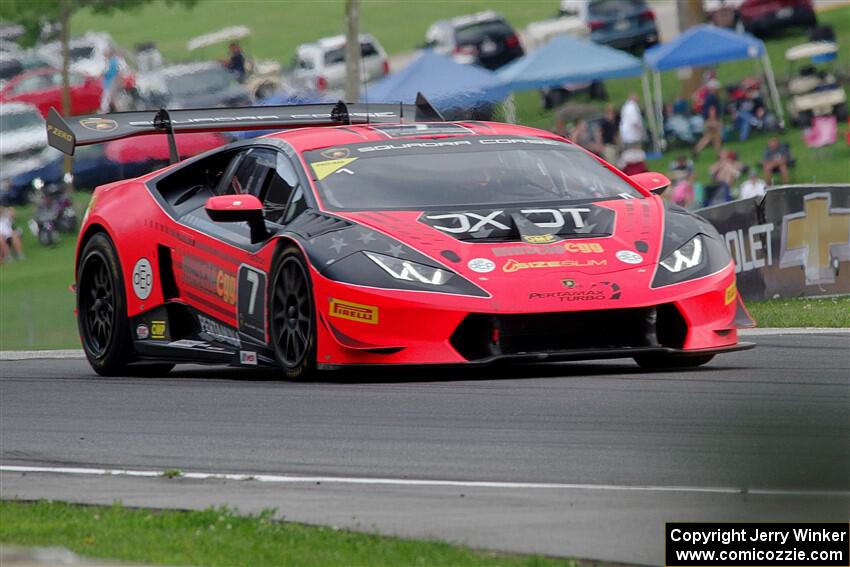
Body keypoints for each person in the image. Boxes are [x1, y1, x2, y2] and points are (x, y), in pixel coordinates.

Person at [693, 79, 723, 155]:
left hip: (707, 119)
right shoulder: (712, 97)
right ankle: (718, 153)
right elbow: (712, 109)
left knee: (710, 136)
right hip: (711, 119)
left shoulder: (708, 97)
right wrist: (713, 121)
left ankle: (696, 150)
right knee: (716, 137)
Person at [99, 48, 122, 113]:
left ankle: (104, 110)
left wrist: (103, 74)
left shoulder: (112, 62)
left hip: (110, 82)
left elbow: (111, 72)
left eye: (105, 54)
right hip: (110, 82)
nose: (104, 55)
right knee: (112, 97)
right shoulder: (111, 61)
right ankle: (117, 110)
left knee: (107, 97)